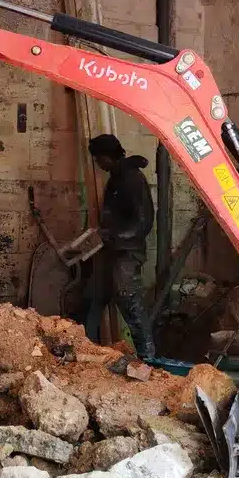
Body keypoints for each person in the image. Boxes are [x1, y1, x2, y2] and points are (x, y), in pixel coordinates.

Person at [84, 133, 156, 358]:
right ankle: (86, 348)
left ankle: (148, 356)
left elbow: (144, 221)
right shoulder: (116, 177)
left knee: (129, 302)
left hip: (127, 252)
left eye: (99, 159)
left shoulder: (131, 179)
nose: (97, 164)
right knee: (95, 296)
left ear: (108, 156)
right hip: (112, 249)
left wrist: (115, 236)